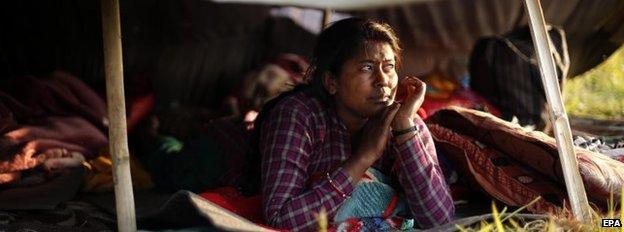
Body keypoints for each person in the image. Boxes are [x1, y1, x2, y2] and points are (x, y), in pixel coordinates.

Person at [257, 18, 454, 231]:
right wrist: (363, 157)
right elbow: (280, 219)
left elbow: (439, 221)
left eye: (388, 67)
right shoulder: (299, 116)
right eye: (367, 68)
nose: (383, 81)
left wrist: (405, 128)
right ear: (331, 82)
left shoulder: (403, 122)